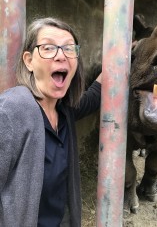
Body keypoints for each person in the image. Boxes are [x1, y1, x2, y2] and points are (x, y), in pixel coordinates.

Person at [0, 17, 101, 227]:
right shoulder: (11, 110)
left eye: (69, 49)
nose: (61, 56)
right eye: (48, 48)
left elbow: (93, 97)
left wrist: (121, 60)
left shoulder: (64, 109)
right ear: (28, 61)